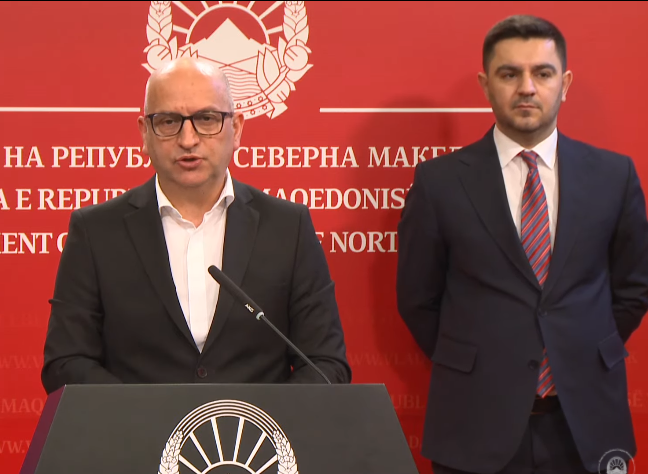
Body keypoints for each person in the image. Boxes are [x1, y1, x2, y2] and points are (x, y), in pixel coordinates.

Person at [396, 14, 648, 474]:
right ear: (486, 85)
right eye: (509, 74)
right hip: (474, 424)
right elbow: (418, 299)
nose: (527, 88)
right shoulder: (439, 183)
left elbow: (633, 289)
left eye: (543, 73)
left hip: (587, 424)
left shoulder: (615, 176)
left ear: (564, 84)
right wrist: (478, 362)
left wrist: (579, 349)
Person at [41, 57, 351, 393]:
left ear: (237, 129)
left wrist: (259, 418)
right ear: (144, 133)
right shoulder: (96, 231)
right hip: (136, 428)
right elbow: (66, 362)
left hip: (255, 428)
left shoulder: (288, 228)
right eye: (168, 121)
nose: (188, 139)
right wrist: (140, 416)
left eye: (206, 119)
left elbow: (325, 364)